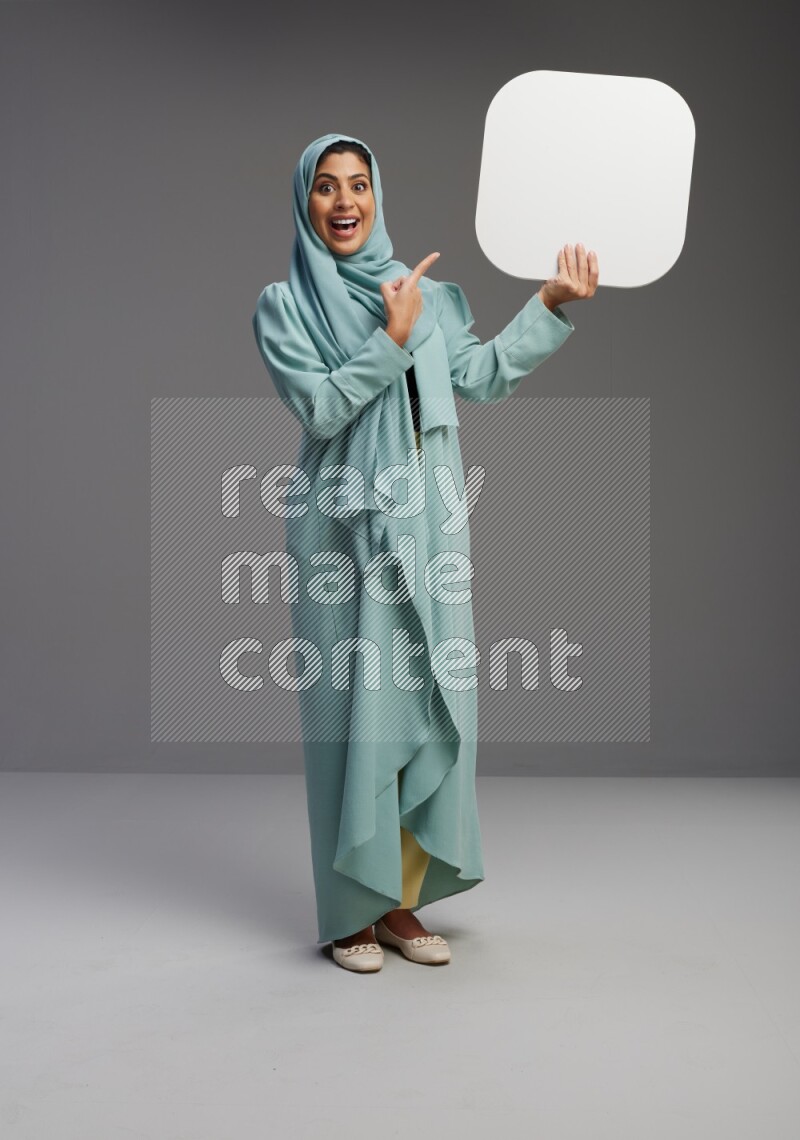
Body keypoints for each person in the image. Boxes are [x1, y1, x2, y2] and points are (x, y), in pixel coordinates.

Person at [252, 133, 599, 973]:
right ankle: (347, 915)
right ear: (306, 203)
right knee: (348, 720)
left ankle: (400, 903)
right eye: (327, 188)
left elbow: (479, 376)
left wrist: (548, 304)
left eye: (359, 185)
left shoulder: (425, 293)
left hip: (431, 523)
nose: (344, 202)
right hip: (341, 529)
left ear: (377, 195)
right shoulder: (284, 305)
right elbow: (325, 411)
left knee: (431, 702)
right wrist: (390, 340)